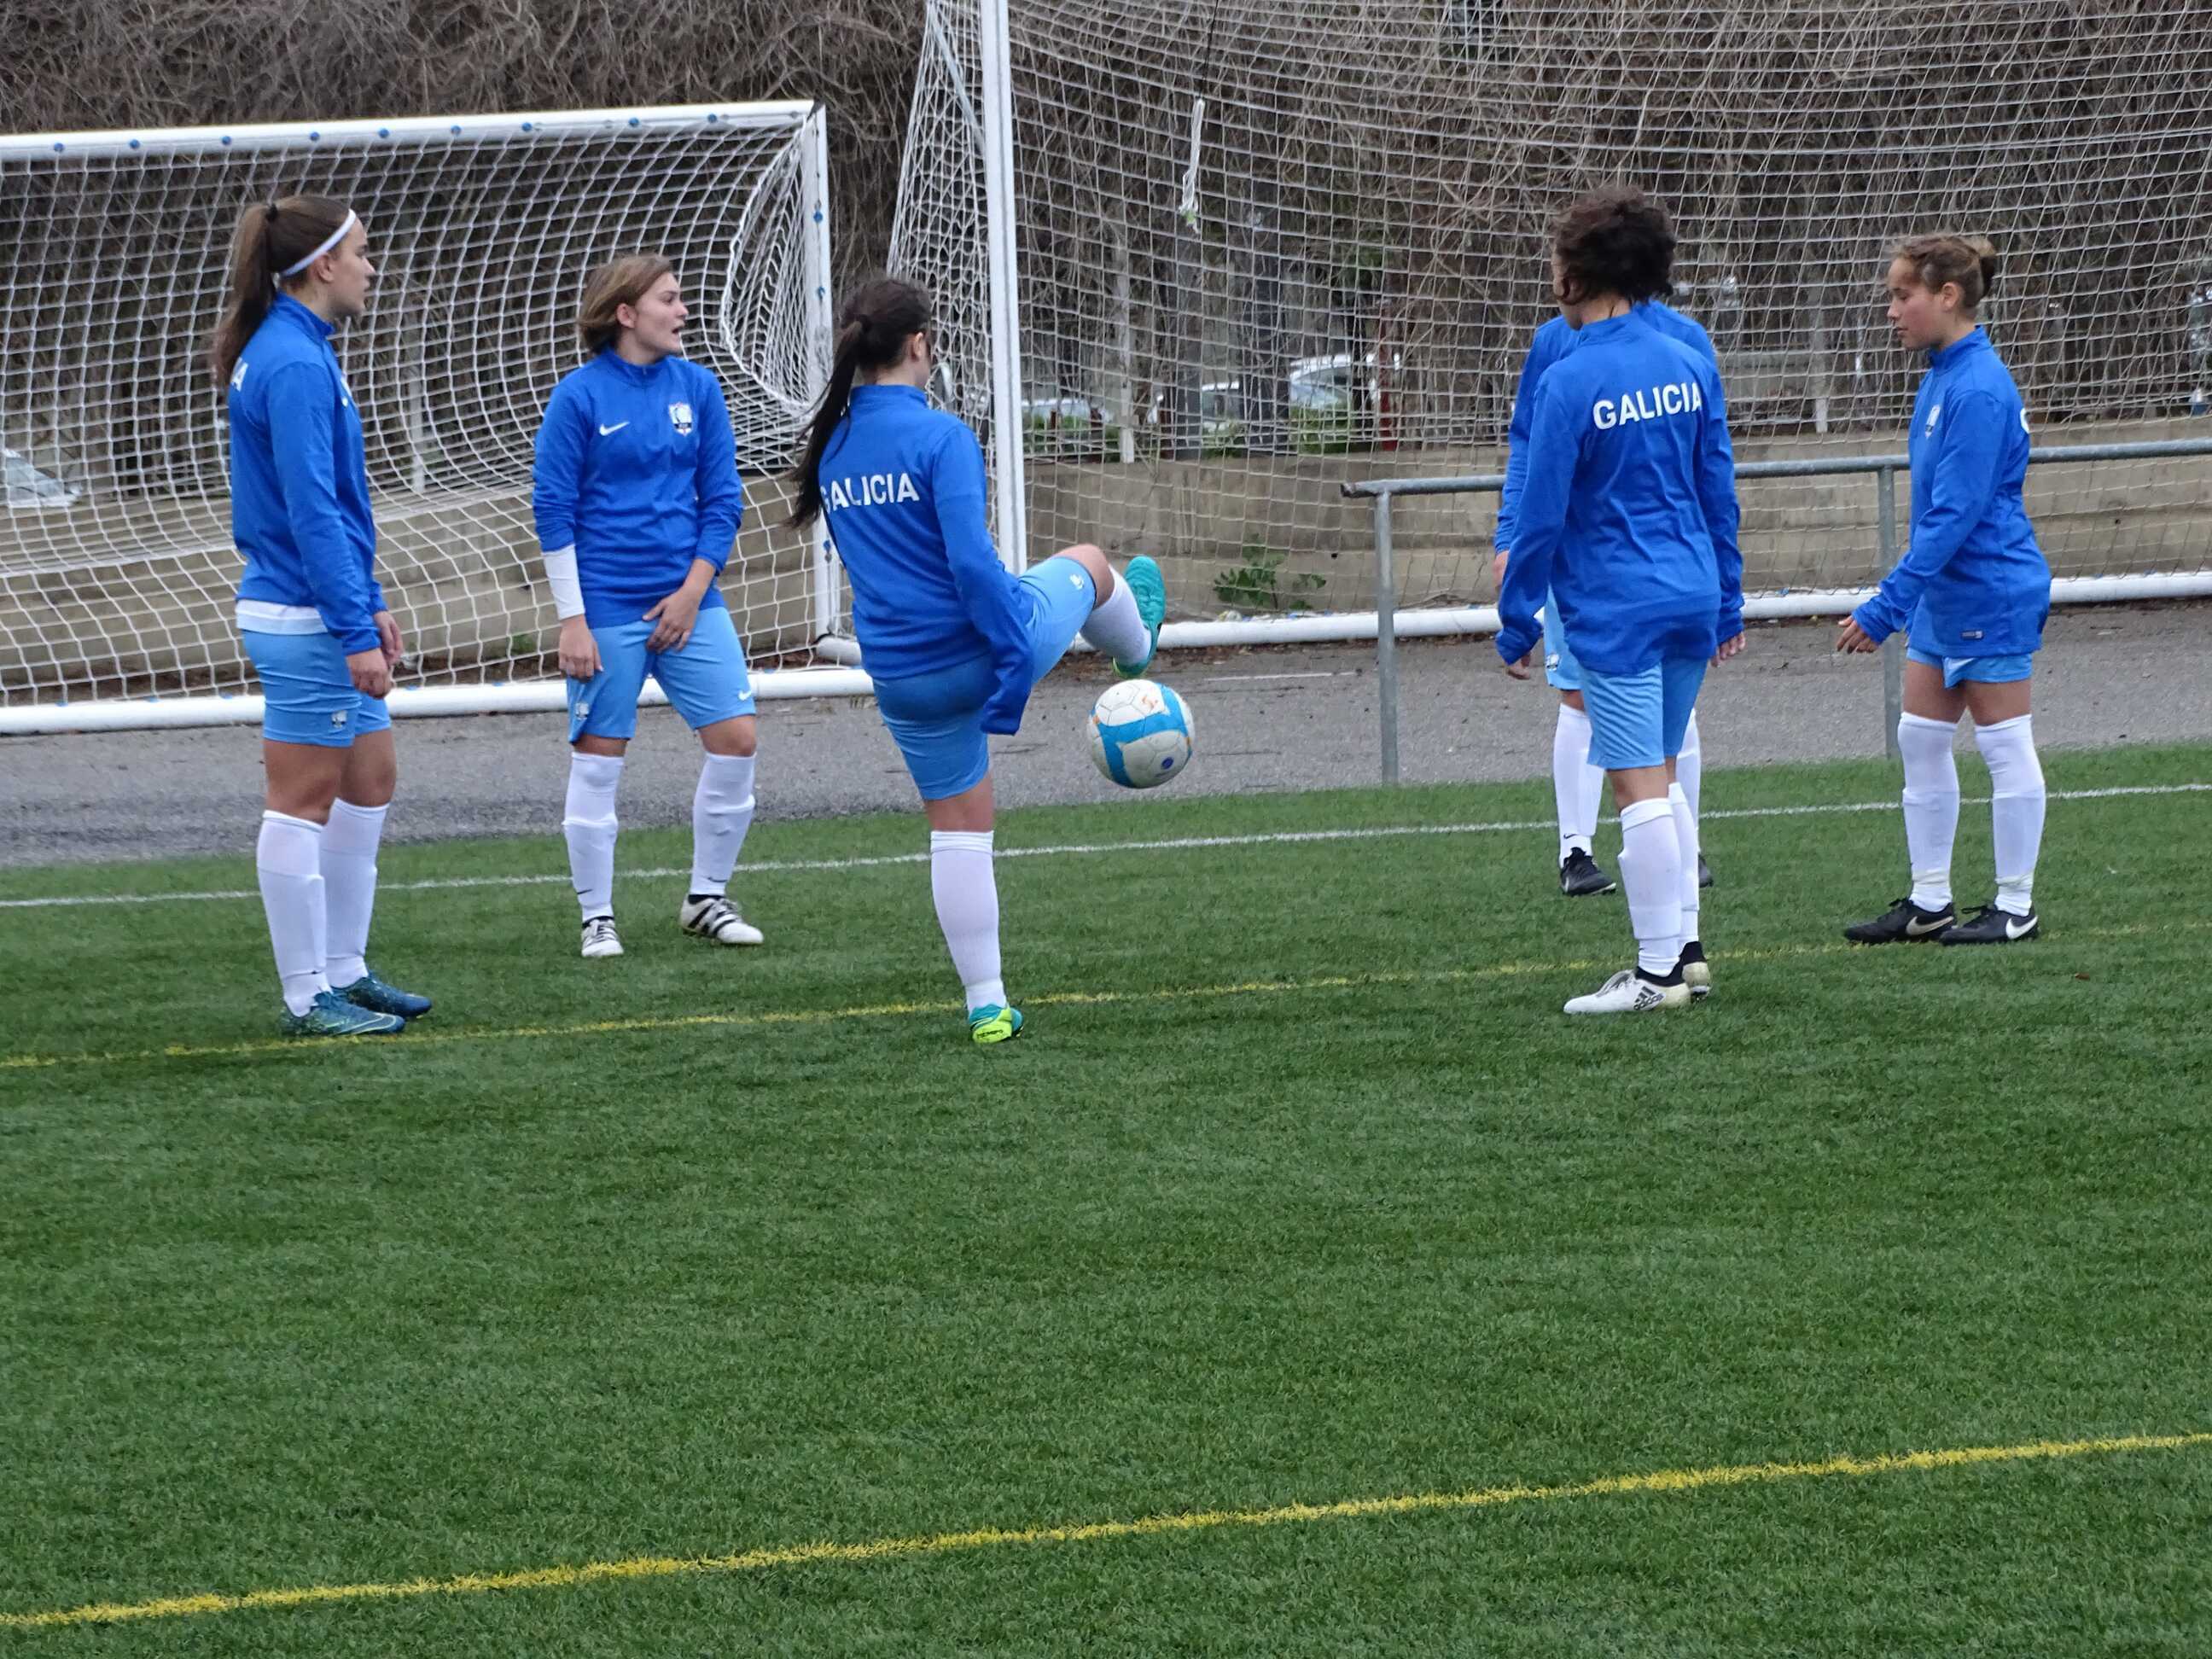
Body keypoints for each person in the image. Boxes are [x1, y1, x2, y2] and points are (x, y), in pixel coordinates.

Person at [788, 276, 1167, 1045]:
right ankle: (1137, 653)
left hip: (902, 676)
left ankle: (987, 1006)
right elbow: (968, 565)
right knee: (1092, 563)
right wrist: (1012, 661)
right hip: (986, 643)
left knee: (959, 834)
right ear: (918, 345)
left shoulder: (833, 445)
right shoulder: (942, 437)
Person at [1494, 186, 1744, 1015]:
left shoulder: (1570, 378)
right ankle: (1686, 954)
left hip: (1617, 605)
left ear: (1576, 275)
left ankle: (1656, 974)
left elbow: (1539, 517)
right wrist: (1730, 600)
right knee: (1662, 774)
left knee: (1636, 787)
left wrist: (1515, 617)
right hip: (1690, 592)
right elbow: (1718, 490)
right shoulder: (1688, 359)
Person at [212, 193, 431, 1037]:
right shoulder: (294, 363)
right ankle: (308, 997)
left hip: (326, 607)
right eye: (363, 252)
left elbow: (338, 505)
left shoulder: (302, 349)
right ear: (322, 265)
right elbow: (311, 514)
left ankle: (346, 968)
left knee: (369, 781)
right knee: (300, 800)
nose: (372, 268)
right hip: (302, 618)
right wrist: (350, 627)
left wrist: (370, 604)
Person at [533, 254, 762, 960]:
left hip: (691, 600)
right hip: (604, 605)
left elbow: (723, 500)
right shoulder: (578, 397)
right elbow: (552, 509)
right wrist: (573, 619)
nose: (682, 311)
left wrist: (692, 593)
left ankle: (706, 898)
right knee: (600, 759)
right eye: (669, 299)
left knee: (738, 741)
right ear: (626, 314)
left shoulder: (699, 387)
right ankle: (597, 917)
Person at [1837, 235, 2051, 946]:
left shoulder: (1979, 387)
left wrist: (1887, 604)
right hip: (1945, 596)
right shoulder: (1941, 376)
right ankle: (1930, 900)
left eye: (1903, 296)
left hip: (1991, 590)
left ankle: (2016, 906)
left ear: (1948, 296)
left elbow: (1955, 515)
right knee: (1921, 739)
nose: (1892, 310)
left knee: (2004, 746)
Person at [1495, 294, 1720, 897]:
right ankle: (1578, 849)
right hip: (1628, 570)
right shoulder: (1556, 342)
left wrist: (1516, 611)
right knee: (1582, 699)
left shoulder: (1683, 343)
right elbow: (1528, 447)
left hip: (1639, 576)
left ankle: (1672, 912)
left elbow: (1710, 469)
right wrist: (1509, 536)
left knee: (1655, 747)